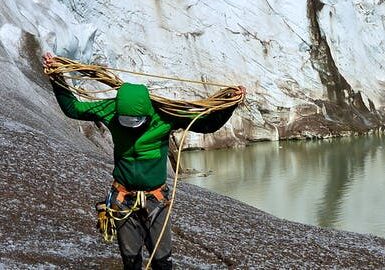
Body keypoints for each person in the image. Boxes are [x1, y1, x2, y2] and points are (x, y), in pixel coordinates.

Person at [43, 52, 243, 270]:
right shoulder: (111, 108)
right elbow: (73, 109)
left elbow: (206, 125)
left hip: (155, 200)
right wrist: (56, 77)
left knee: (161, 261)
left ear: (147, 114)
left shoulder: (165, 114)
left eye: (136, 123)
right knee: (130, 261)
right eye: (126, 122)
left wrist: (230, 103)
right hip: (123, 198)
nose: (131, 127)